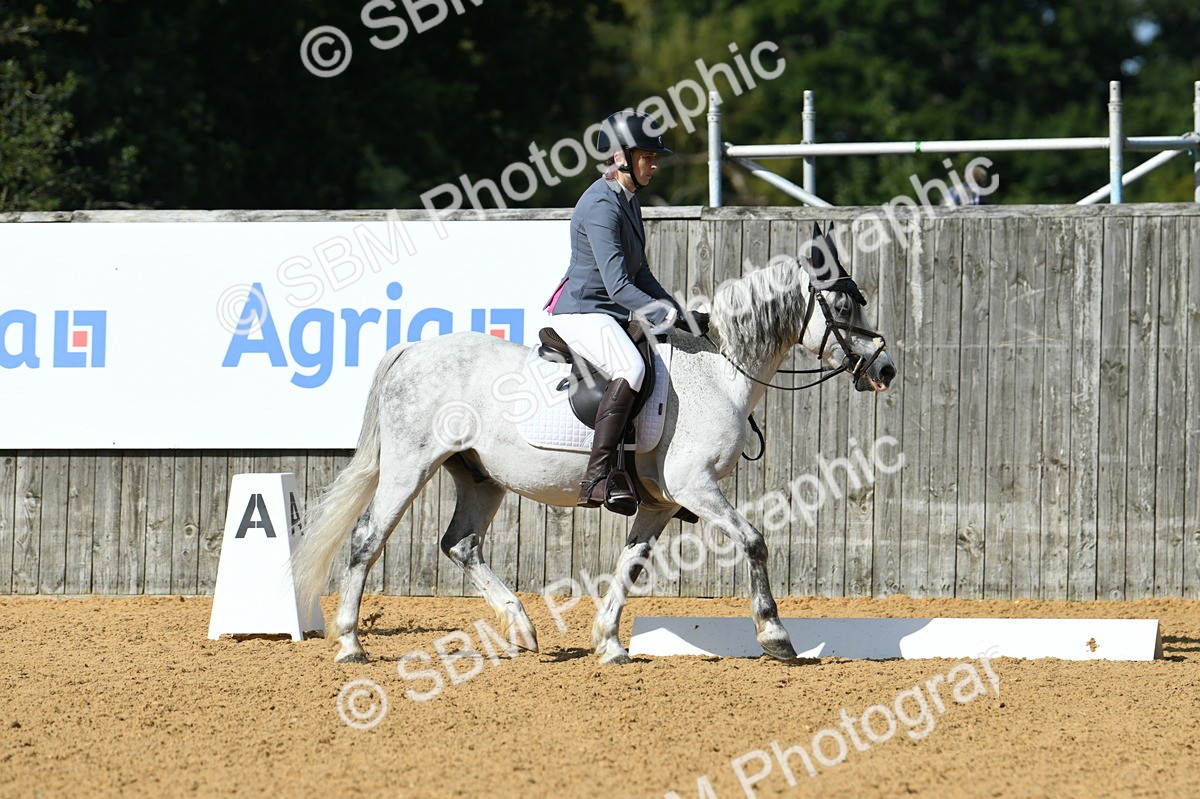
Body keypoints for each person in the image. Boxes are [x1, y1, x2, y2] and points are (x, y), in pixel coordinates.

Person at [543, 110, 682, 516]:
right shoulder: (600, 205)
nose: (654, 164)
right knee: (632, 370)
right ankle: (597, 476)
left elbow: (643, 274)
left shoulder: (628, 199)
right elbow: (619, 285)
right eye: (647, 157)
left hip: (610, 312)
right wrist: (659, 313)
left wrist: (680, 312)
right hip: (583, 312)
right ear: (622, 156)